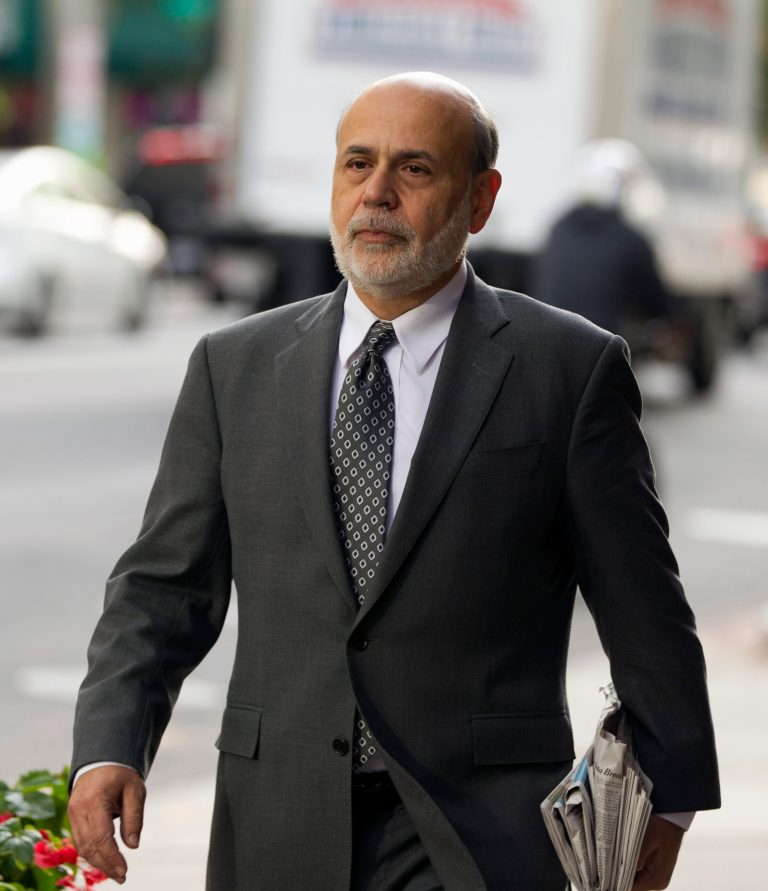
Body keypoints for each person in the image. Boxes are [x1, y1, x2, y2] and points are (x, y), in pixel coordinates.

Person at [68, 73, 719, 891]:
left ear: (480, 200)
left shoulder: (570, 368)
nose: (376, 194)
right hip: (280, 817)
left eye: (413, 169)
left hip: (486, 830)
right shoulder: (232, 368)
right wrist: (109, 744)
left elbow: (644, 605)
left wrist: (670, 795)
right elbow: (163, 589)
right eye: (356, 164)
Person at [534, 139, 670, 339]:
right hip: (598, 345)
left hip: (542, 337)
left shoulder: (559, 227)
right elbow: (655, 302)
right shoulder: (631, 240)